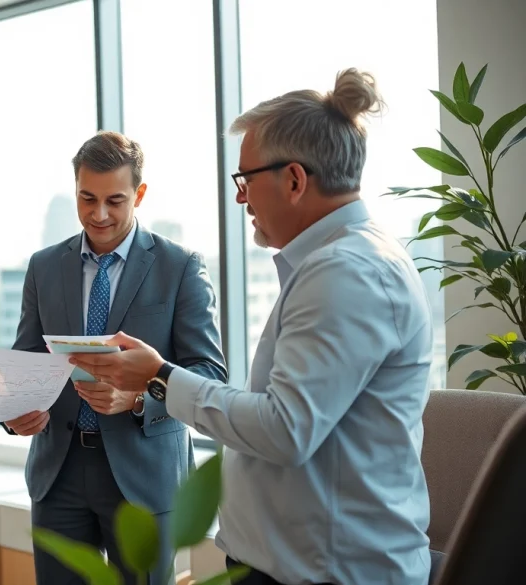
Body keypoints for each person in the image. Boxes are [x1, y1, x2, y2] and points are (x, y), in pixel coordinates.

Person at [70, 69, 434, 585]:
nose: (240, 198)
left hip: (324, 572)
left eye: (245, 180)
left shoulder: (347, 274)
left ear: (293, 179)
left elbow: (285, 429)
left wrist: (159, 377)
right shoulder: (335, 264)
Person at [3, 131, 228, 585]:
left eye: (115, 201)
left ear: (139, 194)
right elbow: (25, 360)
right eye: (87, 198)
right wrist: (15, 411)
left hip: (143, 476)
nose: (99, 214)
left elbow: (209, 373)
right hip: (58, 473)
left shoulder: (179, 266)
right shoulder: (44, 266)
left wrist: (139, 398)